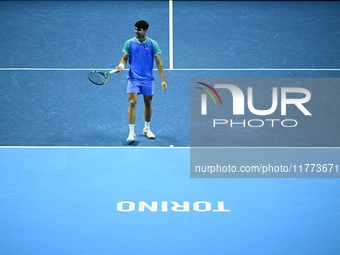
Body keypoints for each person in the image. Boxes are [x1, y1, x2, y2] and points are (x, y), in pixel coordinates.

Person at [115, 20, 167, 142]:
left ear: (145, 31)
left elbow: (159, 63)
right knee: (132, 103)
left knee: (148, 104)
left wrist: (163, 80)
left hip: (148, 79)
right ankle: (131, 132)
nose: (136, 31)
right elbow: (124, 59)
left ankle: (146, 129)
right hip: (133, 78)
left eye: (138, 29)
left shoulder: (153, 44)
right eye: (135, 29)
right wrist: (121, 66)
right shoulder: (129, 43)